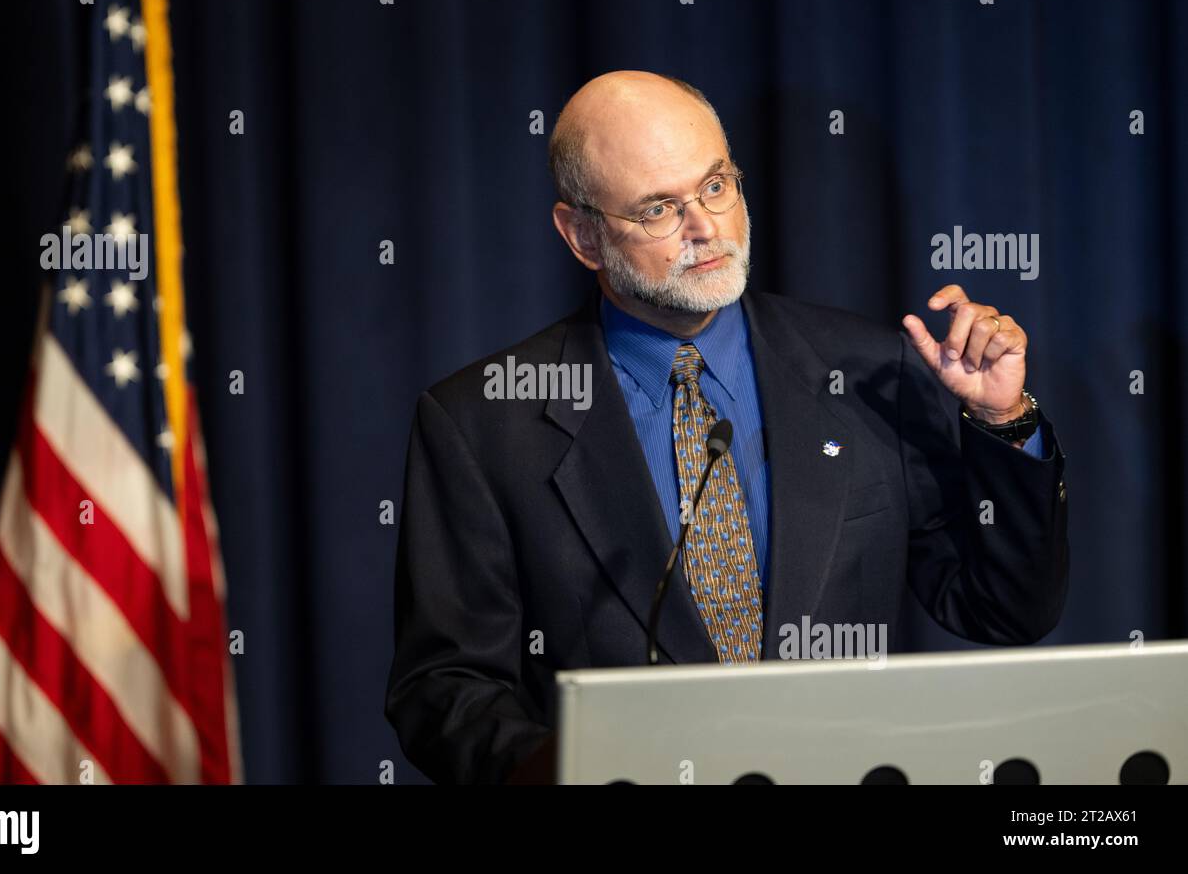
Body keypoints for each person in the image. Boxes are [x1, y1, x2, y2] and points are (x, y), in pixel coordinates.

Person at [386, 70, 1068, 785]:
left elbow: (1004, 611)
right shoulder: (484, 422)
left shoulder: (870, 372)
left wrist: (1002, 420)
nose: (705, 228)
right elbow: (443, 690)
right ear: (582, 235)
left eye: (716, 186)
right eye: (658, 209)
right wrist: (585, 769)